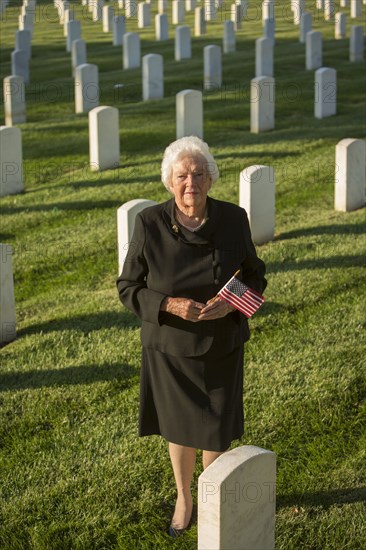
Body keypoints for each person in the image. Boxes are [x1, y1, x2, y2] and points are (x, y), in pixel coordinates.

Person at [116, 136, 266, 537]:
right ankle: (185, 497)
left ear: (211, 179)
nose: (190, 183)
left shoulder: (234, 219)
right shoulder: (148, 223)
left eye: (199, 174)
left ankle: (213, 495)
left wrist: (233, 303)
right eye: (182, 176)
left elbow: (255, 274)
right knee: (180, 429)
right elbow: (129, 286)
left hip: (222, 342)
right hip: (170, 347)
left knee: (217, 427)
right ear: (169, 182)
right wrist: (168, 305)